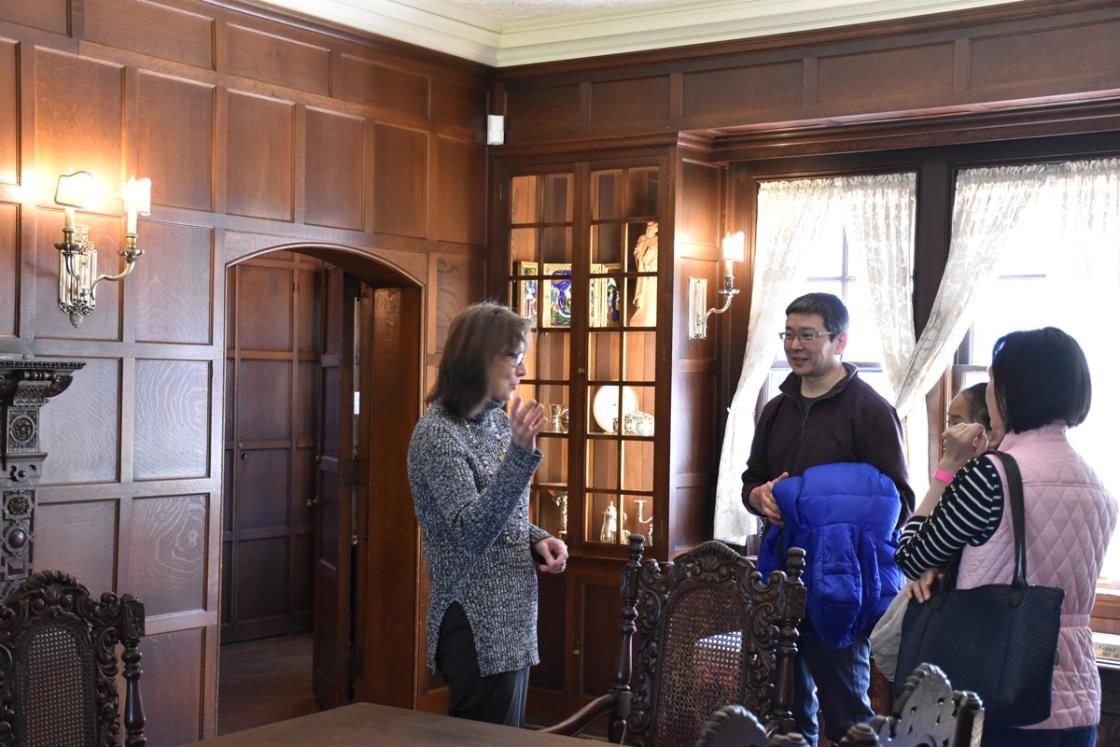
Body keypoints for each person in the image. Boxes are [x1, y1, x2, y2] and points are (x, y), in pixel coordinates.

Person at [896, 327, 1117, 747]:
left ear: (1010, 393)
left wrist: (948, 468)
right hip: (1079, 700)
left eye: (994, 383)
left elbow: (910, 554)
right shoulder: (1098, 485)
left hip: (995, 688)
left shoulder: (992, 474)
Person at [742, 292, 914, 746]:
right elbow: (751, 480)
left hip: (842, 583)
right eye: (788, 335)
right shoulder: (776, 408)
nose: (795, 345)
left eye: (807, 335)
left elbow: (901, 500)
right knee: (785, 712)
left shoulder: (871, 411)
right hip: (779, 578)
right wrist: (758, 497)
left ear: (840, 342)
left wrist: (831, 511)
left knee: (847, 714)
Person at [407, 302, 569, 727]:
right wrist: (520, 455)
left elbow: (502, 512)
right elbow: (470, 531)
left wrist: (536, 537)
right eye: (514, 359)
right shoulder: (437, 434)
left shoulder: (497, 422)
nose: (521, 371)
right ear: (479, 358)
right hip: (475, 623)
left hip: (514, 617)